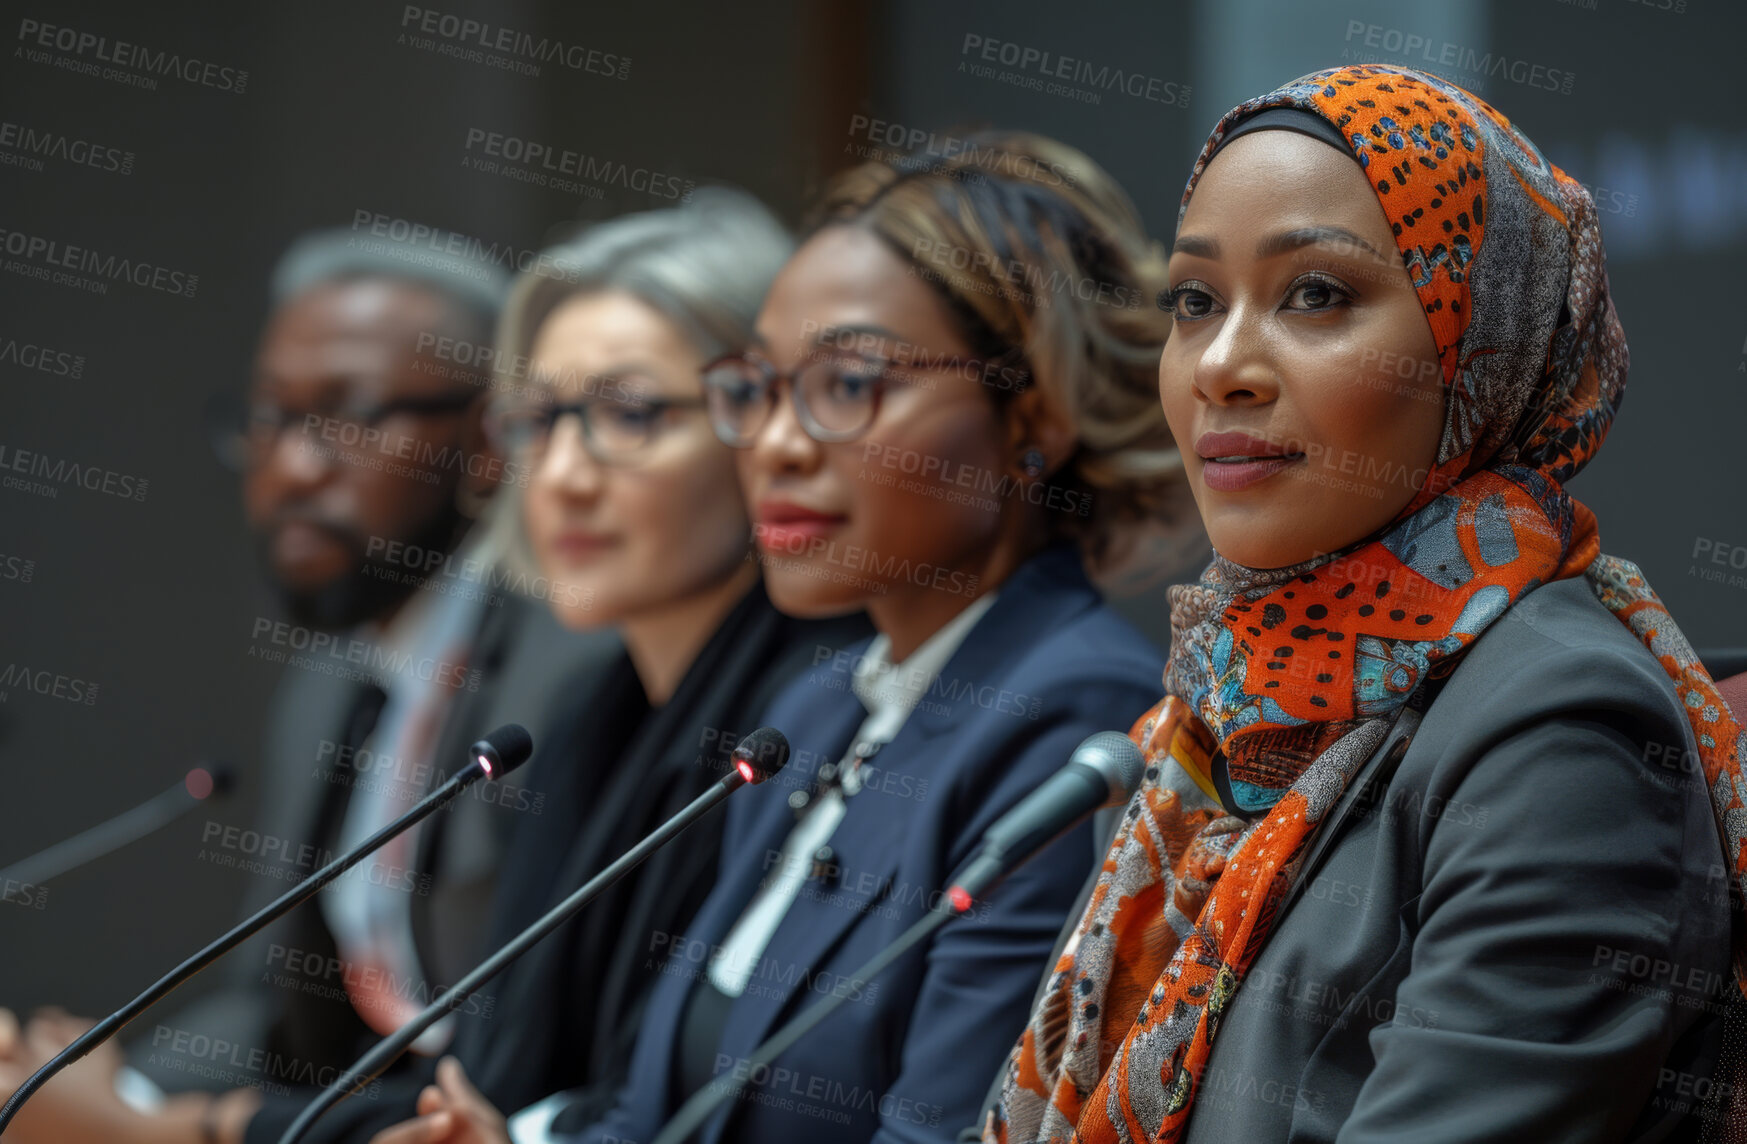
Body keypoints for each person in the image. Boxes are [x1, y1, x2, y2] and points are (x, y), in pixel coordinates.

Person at [368, 131, 1194, 1144]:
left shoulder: (1074, 718)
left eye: (849, 384)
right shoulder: (813, 709)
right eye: (756, 387)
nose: (775, 441)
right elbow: (646, 1114)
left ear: (1033, 415)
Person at [991, 63, 1746, 1143]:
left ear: (1480, 339)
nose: (1222, 367)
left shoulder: (1567, 733)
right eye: (1194, 302)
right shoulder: (1208, 724)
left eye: (1315, 294)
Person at [235, 189, 873, 1143]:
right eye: (540, 420)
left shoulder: (820, 713)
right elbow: (492, 1080)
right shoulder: (585, 720)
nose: (566, 474)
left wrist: (209, 1130)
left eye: (630, 413)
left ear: (762, 419)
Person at [0, 231, 610, 1144]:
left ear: (489, 442)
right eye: (269, 417)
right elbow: (273, 1006)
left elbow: (533, 1066)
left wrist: (191, 1132)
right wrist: (91, 1087)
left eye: (352, 414)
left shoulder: (568, 667)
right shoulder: (327, 684)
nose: (292, 468)